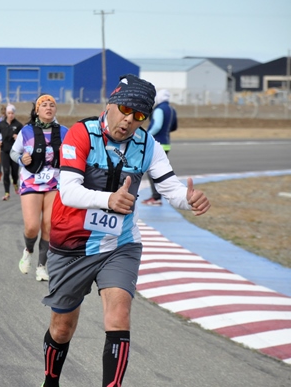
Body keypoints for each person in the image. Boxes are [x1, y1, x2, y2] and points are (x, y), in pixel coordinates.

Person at [40, 74, 210, 387]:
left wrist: (189, 200)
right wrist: (109, 199)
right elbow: (68, 192)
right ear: (110, 104)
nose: (129, 120)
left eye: (140, 116)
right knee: (62, 328)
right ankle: (51, 381)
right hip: (72, 244)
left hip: (120, 242)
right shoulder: (82, 134)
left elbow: (171, 189)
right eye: (124, 109)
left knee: (119, 315)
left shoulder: (148, 145)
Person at [10, 94, 68, 281]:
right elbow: (13, 152)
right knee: (32, 227)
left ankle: (42, 267)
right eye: (44, 105)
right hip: (31, 181)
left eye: (52, 104)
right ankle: (28, 250)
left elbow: (74, 152)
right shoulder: (27, 131)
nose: (48, 107)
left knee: (49, 226)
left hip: (55, 183)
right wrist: (21, 159)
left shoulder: (65, 131)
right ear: (37, 110)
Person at [142, 88, 178, 206]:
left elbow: (157, 125)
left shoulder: (159, 109)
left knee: (152, 171)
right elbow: (174, 127)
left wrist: (147, 136)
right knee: (159, 170)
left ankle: (156, 197)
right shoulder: (172, 110)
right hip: (167, 143)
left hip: (157, 143)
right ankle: (157, 196)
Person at [0, 104, 23, 201]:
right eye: (9, 113)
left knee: (14, 173)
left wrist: (18, 138)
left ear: (14, 113)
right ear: (6, 114)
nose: (11, 115)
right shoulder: (2, 124)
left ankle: (15, 183)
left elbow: (25, 138)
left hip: (15, 153)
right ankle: (7, 193)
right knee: (6, 171)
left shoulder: (19, 125)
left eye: (12, 113)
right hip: (5, 151)